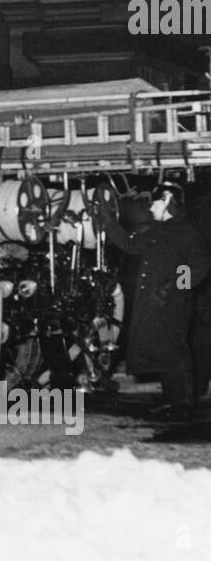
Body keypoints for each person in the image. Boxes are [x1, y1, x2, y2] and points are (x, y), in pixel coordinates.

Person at [102, 180, 211, 429]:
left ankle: (182, 404)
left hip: (171, 305)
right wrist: (107, 219)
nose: (150, 208)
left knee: (174, 351)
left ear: (168, 201)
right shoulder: (156, 231)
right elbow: (129, 243)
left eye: (154, 202)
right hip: (153, 304)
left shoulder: (186, 231)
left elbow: (201, 263)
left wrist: (174, 287)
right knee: (163, 350)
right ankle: (173, 400)